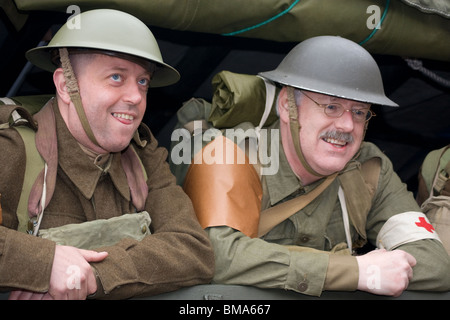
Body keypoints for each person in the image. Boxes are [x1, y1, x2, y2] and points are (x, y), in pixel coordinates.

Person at [181, 36, 450, 297]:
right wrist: (353, 271)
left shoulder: (368, 168)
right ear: (287, 106)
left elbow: (435, 264)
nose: (347, 126)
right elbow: (215, 256)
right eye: (331, 106)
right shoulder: (231, 153)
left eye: (358, 112)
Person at [0, 9, 214, 300]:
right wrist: (45, 262)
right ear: (66, 86)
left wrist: (90, 274)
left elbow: (193, 250)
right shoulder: (12, 147)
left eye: (143, 82)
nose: (136, 97)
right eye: (116, 77)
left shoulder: (143, 156)